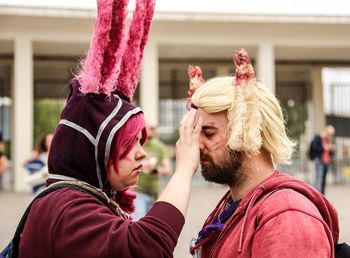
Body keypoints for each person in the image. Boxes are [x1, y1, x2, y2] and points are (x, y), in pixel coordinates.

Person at [17, 0, 202, 257]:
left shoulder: (77, 199)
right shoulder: (68, 207)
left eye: (141, 141)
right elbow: (146, 249)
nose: (142, 153)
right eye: (128, 143)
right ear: (93, 147)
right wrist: (184, 170)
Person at [187, 49, 339, 258]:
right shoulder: (236, 203)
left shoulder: (286, 216)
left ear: (251, 132)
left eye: (209, 133)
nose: (196, 144)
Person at [133, 122, 172, 220]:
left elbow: (168, 169)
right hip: (138, 192)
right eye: (151, 128)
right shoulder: (137, 144)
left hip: (154, 194)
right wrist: (143, 165)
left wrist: (157, 170)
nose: (155, 130)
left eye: (155, 128)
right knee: (138, 222)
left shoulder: (160, 146)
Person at [310, 125, 336, 194]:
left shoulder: (328, 140)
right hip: (319, 162)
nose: (330, 136)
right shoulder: (318, 138)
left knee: (323, 183)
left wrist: (332, 150)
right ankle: (317, 199)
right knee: (318, 182)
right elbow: (315, 149)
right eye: (329, 134)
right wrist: (325, 148)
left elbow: (330, 153)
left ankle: (322, 198)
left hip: (326, 162)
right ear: (326, 132)